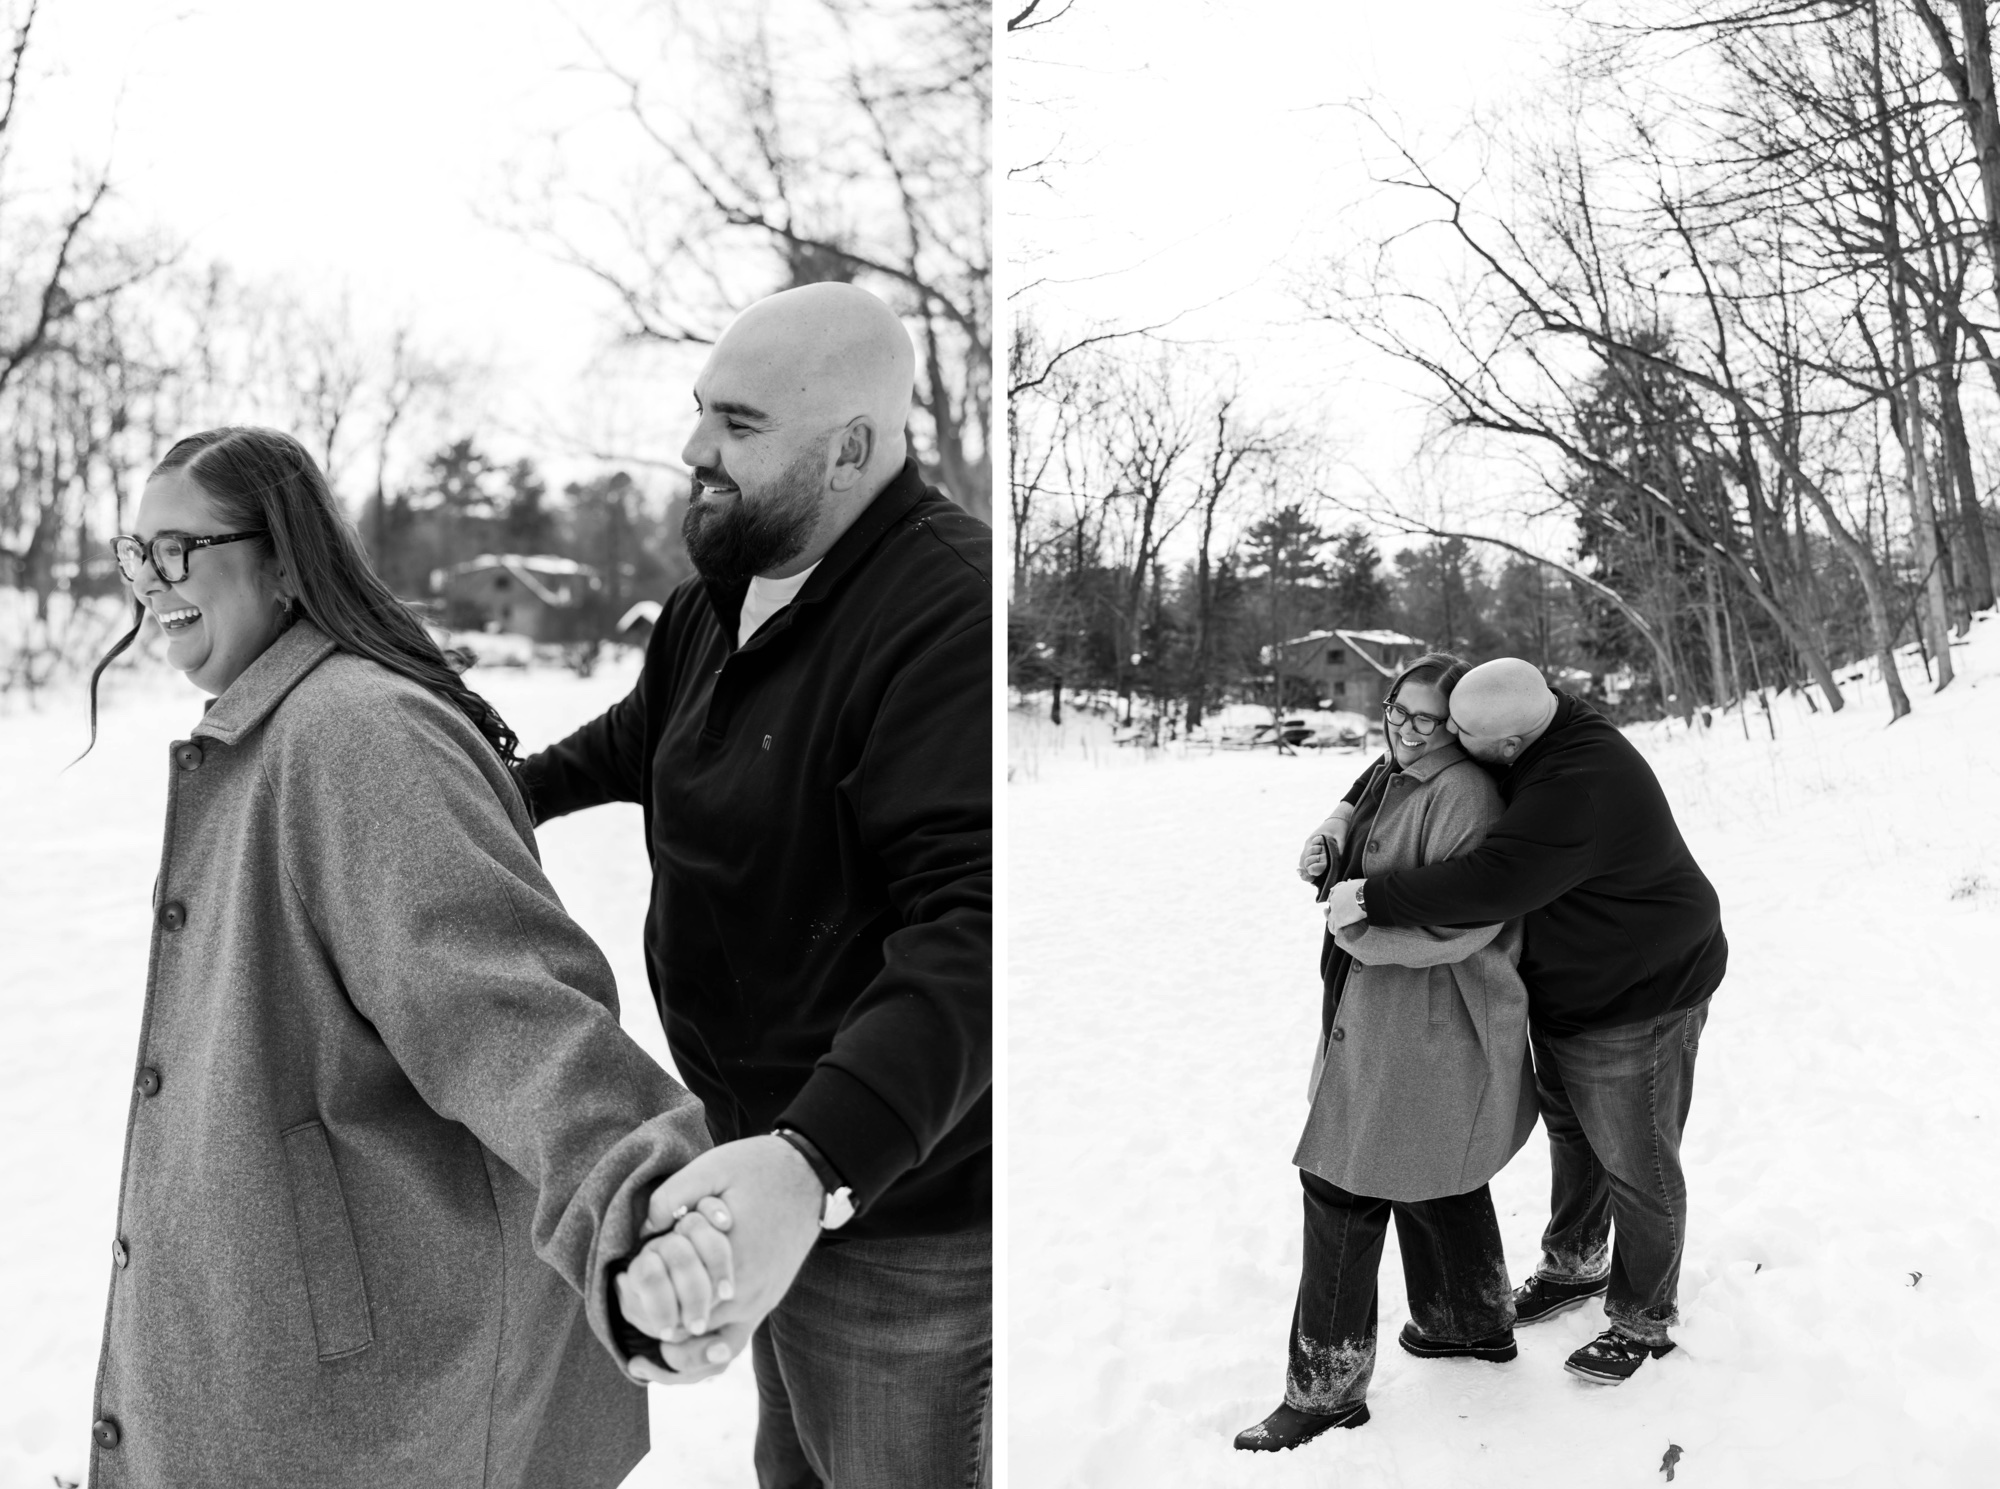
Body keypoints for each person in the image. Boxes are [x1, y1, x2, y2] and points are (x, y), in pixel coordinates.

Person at [81, 427, 734, 1489]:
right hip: (302, 1347)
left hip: (371, 1388)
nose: (152, 584)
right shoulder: (277, 726)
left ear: (283, 559)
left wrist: (644, 1216)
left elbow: (509, 1013)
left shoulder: (354, 736)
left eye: (180, 550)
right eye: (135, 553)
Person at [519, 281, 992, 1487]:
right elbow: (636, 741)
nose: (692, 449)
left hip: (899, 1211)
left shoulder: (945, 614)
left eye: (735, 424)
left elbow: (974, 928)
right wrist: (480, 788)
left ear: (850, 448)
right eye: (698, 414)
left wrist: (815, 1162)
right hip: (755, 1157)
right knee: (792, 1466)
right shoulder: (714, 598)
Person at [1325, 656, 1726, 1384]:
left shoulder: (1578, 786)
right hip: (1574, 985)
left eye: (1460, 734)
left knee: (1636, 1160)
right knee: (1575, 1134)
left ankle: (1642, 1318)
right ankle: (1574, 1263)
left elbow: (1487, 882)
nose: (1445, 741)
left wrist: (1373, 899)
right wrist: (1345, 809)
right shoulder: (1531, 713)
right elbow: (1406, 753)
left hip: (1643, 993)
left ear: (1506, 745)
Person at [1235, 653, 1538, 1453]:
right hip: (1384, 1008)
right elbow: (1379, 856)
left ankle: (1325, 1389)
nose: (1403, 728)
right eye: (1395, 711)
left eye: (1424, 718)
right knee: (1433, 1161)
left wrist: (1358, 923)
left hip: (1431, 1019)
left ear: (1460, 728)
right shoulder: (1396, 771)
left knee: (1341, 1180)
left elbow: (1468, 916)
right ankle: (1467, 1321)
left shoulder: (1465, 795)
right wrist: (1331, 852)